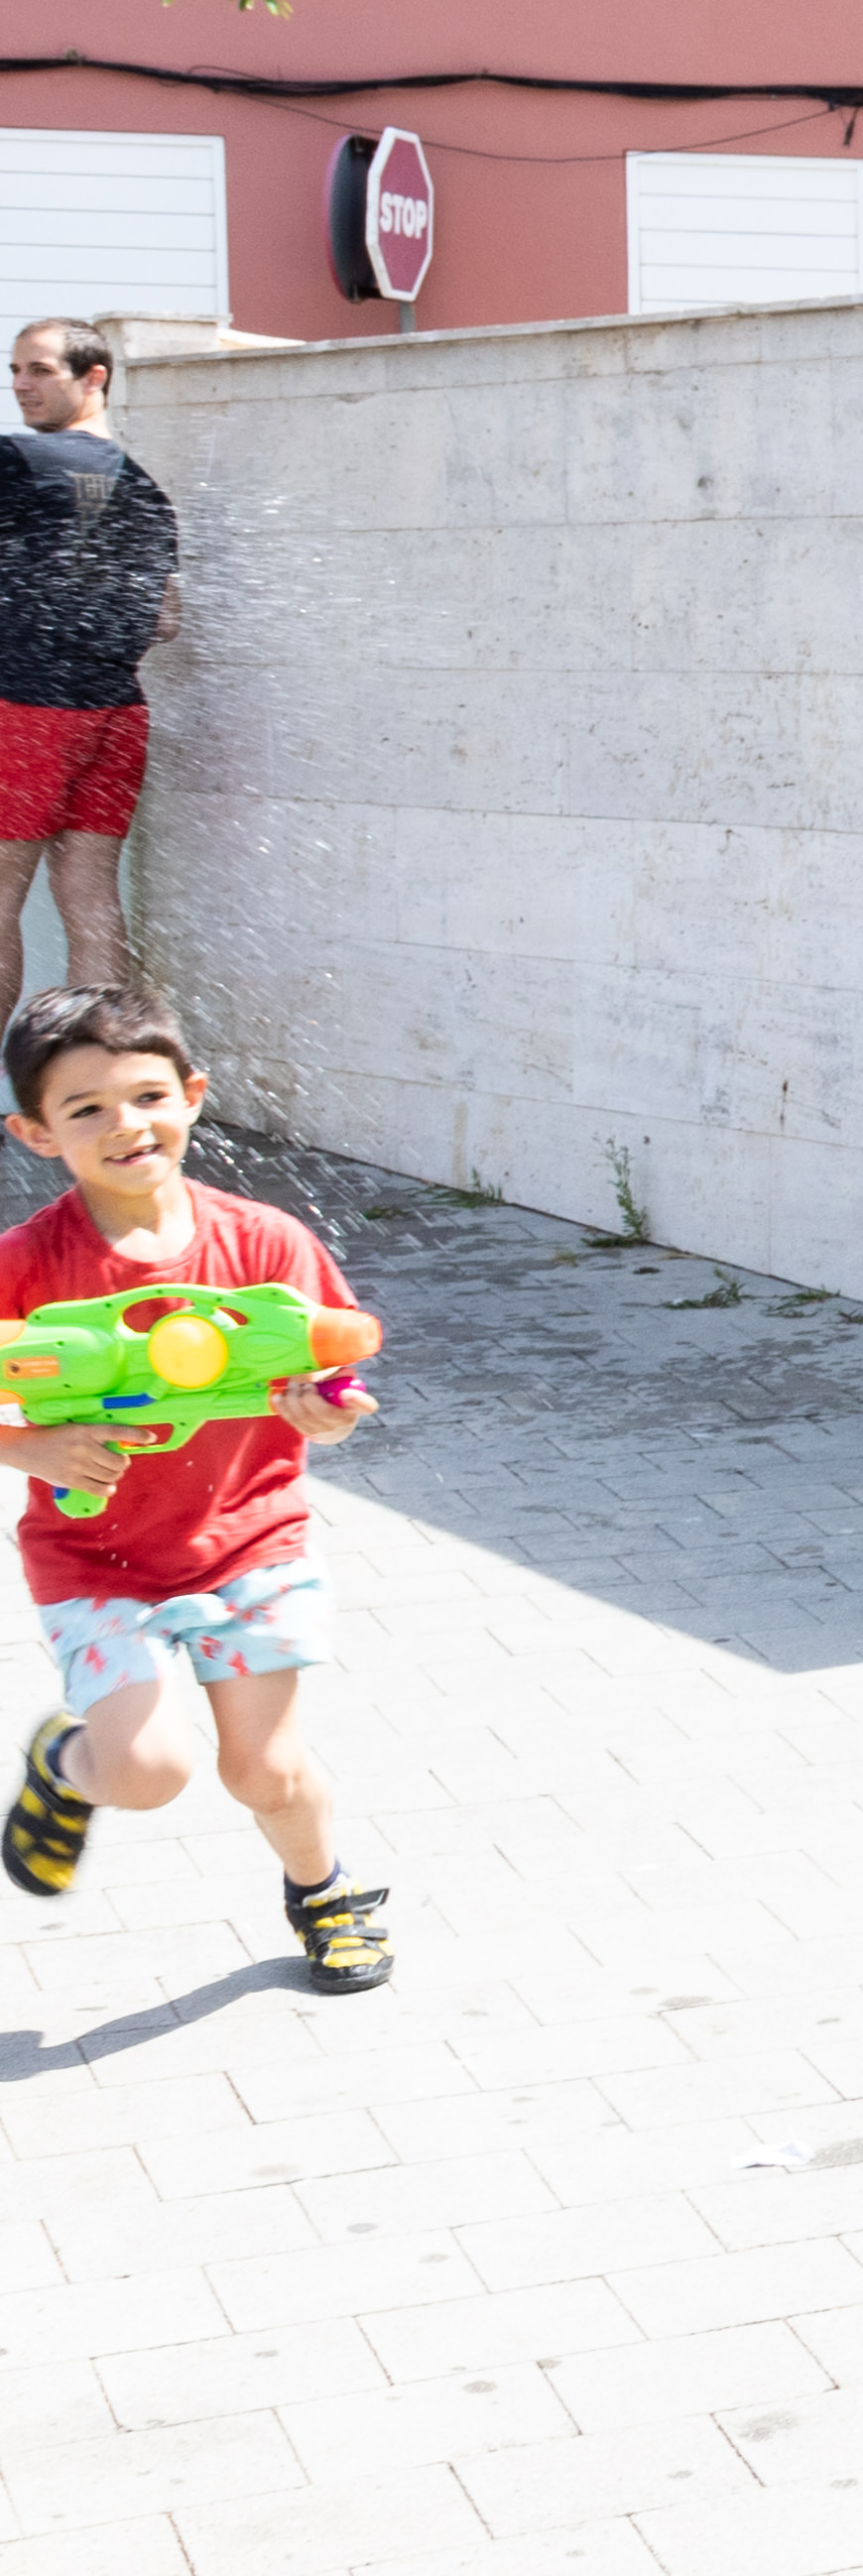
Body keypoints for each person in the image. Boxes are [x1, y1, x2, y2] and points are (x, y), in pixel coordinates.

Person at [0, 987, 389, 1991]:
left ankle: (324, 1891)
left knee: (265, 1769)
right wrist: (32, 1450)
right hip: (95, 1561)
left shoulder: (265, 1244)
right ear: (35, 1132)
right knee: (146, 1773)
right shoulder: (25, 1265)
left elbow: (336, 1375)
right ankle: (67, 1763)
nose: (125, 1124)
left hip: (251, 1545)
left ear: (193, 1095)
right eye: (85, 1108)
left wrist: (331, 1411)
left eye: (147, 1096)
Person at [1, 321, 185, 1018]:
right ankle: (101, 1067)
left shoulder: (15, 460)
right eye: (15, 370)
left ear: (94, 377)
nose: (21, 384)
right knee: (90, 897)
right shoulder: (146, 490)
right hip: (115, 713)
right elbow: (166, 620)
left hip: (25, 708)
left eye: (40, 370)